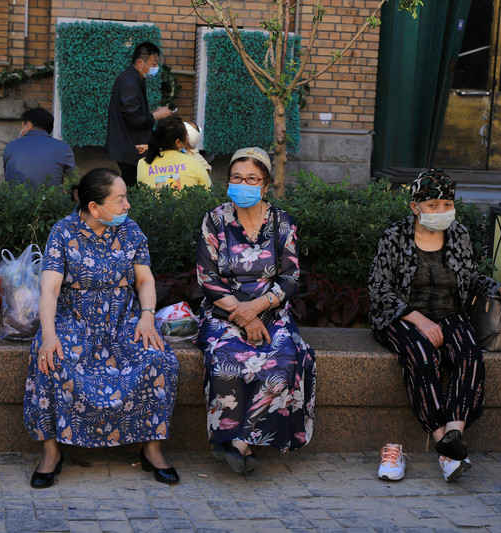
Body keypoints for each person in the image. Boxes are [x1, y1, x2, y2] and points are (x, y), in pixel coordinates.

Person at [23, 167, 181, 488]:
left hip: (122, 320)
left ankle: (152, 449)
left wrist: (147, 316)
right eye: (120, 199)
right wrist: (49, 334)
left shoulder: (130, 231)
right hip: (74, 320)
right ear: (95, 207)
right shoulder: (63, 231)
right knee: (49, 359)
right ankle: (51, 452)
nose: (127, 205)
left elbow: (145, 280)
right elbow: (50, 289)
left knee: (159, 359)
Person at [368, 169, 501, 483]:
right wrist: (418, 319)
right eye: (433, 205)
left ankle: (454, 432)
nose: (442, 211)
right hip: (401, 315)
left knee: (470, 354)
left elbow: (471, 277)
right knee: (422, 354)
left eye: (447, 204)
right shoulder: (395, 236)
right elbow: (378, 289)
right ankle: (445, 445)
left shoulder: (458, 234)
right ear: (415, 207)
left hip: (449, 312)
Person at [195, 147, 316, 474]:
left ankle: (237, 442)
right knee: (226, 357)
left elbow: (290, 277)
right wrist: (243, 315)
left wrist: (257, 309)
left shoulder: (281, 222)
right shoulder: (215, 220)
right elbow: (207, 278)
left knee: (284, 358)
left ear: (265, 185)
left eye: (251, 179)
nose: (243, 184)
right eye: (236, 178)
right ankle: (237, 443)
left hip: (271, 310)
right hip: (223, 311)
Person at [106, 42, 175, 188]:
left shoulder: (133, 78)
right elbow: (133, 119)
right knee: (133, 188)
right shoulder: (129, 82)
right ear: (140, 62)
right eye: (154, 63)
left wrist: (155, 112)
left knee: (135, 186)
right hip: (130, 148)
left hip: (130, 146)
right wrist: (157, 116)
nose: (156, 67)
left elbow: (134, 113)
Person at [3, 107, 75, 188]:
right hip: (51, 196)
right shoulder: (64, 148)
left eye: (22, 126)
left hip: (16, 196)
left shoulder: (10, 146)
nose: (21, 130)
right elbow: (70, 184)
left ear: (28, 125)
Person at [136, 116, 211, 190]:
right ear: (178, 142)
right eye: (186, 134)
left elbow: (162, 192)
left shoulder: (142, 164)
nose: (187, 137)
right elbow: (209, 192)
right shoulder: (196, 163)